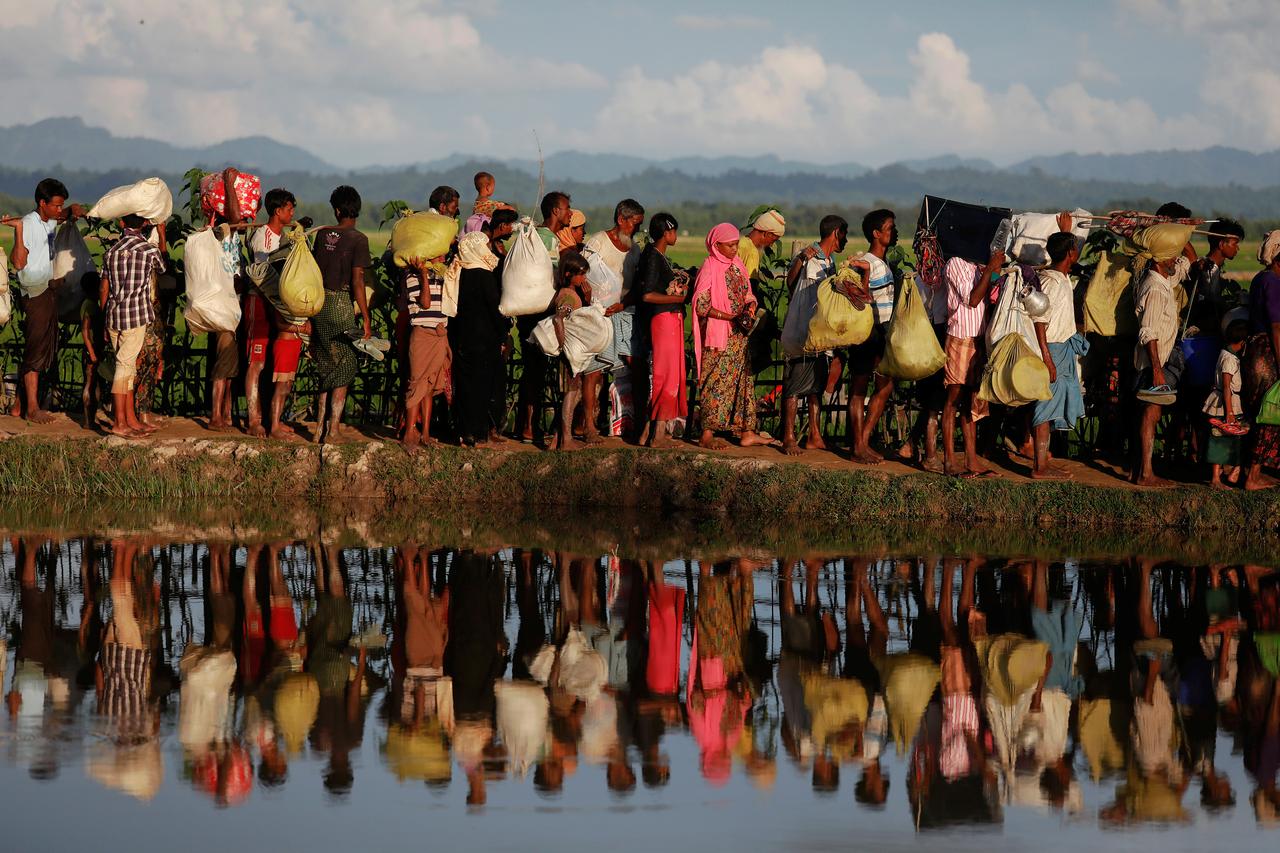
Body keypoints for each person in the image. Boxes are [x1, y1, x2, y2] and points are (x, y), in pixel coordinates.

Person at [11, 178, 86, 423]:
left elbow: (62, 216)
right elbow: (19, 263)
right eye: (54, 205)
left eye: (60, 205)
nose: (57, 209)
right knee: (35, 352)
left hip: (48, 291)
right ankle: (32, 409)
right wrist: (19, 231)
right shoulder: (29, 224)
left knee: (42, 348)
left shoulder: (49, 222)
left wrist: (70, 211)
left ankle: (18, 406)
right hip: (35, 293)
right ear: (42, 203)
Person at [692, 223, 769, 449]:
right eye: (730, 245)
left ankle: (746, 431)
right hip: (720, 335)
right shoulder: (709, 267)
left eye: (736, 244)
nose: (735, 249)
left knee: (742, 382)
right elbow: (701, 305)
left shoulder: (737, 266)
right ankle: (706, 433)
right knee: (714, 382)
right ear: (716, 245)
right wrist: (730, 316)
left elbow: (746, 292)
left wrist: (750, 306)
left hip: (738, 336)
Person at [778, 215, 847, 456]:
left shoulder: (829, 260)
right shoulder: (810, 257)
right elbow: (791, 282)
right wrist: (800, 258)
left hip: (819, 334)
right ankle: (788, 437)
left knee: (815, 386)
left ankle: (814, 435)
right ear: (836, 233)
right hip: (802, 332)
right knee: (794, 386)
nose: (845, 240)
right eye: (844, 235)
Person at [310, 185, 372, 443]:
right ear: (356, 209)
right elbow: (358, 281)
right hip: (340, 305)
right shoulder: (359, 239)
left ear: (336, 210)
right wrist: (366, 317)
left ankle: (318, 430)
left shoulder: (322, 235)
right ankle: (334, 430)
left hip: (319, 304)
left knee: (326, 365)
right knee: (345, 365)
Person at [583, 199, 646, 441]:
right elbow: (585, 277)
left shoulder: (635, 250)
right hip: (601, 314)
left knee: (635, 365)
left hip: (625, 312)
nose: (636, 230)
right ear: (621, 220)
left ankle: (637, 425)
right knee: (593, 371)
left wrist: (624, 303)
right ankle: (589, 425)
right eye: (634, 224)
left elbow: (637, 285)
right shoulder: (598, 242)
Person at [100, 215, 166, 438]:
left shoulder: (111, 252)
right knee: (124, 366)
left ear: (121, 223)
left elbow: (104, 288)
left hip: (114, 315)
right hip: (136, 316)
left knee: (128, 367)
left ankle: (130, 419)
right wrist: (162, 234)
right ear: (145, 224)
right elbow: (163, 268)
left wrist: (104, 318)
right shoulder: (149, 250)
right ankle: (120, 422)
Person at [1030, 230, 1088, 479]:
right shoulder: (1051, 282)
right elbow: (1040, 321)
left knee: (1053, 407)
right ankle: (1039, 466)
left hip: (1061, 349)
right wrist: (1047, 358)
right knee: (1045, 407)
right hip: (1052, 349)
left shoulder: (1062, 277)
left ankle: (1044, 461)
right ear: (1071, 254)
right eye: (1075, 248)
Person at [515, 191, 571, 445]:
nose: (570, 213)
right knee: (535, 371)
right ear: (556, 211)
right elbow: (548, 275)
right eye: (567, 208)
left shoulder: (536, 234)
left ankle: (526, 425)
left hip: (530, 311)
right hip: (539, 312)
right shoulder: (546, 238)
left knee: (533, 370)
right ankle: (529, 427)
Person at [942, 249, 1003, 477]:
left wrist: (994, 270)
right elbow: (973, 299)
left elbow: (992, 294)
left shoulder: (978, 264)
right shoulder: (955, 262)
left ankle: (971, 459)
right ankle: (949, 461)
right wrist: (990, 268)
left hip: (978, 338)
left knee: (972, 401)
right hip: (960, 336)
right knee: (953, 399)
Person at [847, 210, 900, 464]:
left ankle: (863, 441)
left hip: (881, 331)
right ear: (876, 234)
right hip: (867, 332)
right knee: (859, 388)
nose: (894, 232)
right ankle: (859, 445)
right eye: (889, 228)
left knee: (884, 386)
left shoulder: (881, 262)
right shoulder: (865, 261)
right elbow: (859, 297)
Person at [451, 228, 512, 447]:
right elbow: (495, 309)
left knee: (465, 385)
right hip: (485, 339)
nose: (488, 249)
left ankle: (465, 432)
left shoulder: (459, 271)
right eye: (485, 245)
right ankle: (479, 434)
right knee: (483, 386)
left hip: (462, 337)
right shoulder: (484, 275)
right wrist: (504, 333)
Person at [244, 188, 296, 437]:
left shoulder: (284, 237)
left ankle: (270, 418)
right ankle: (254, 420)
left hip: (277, 304)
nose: (292, 213)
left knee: (273, 361)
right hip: (260, 302)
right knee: (257, 361)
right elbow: (264, 275)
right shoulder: (263, 237)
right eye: (289, 208)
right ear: (278, 211)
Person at [1132, 252, 1184, 486]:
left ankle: (1141, 470)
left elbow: (1186, 264)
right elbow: (1148, 332)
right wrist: (1156, 370)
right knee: (1151, 413)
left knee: (1151, 413)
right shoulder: (1154, 288)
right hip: (1154, 364)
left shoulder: (1163, 281)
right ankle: (1145, 473)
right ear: (1157, 260)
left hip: (1158, 362)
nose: (1175, 260)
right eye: (1171, 256)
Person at [638, 213, 687, 448]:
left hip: (667, 318)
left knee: (667, 374)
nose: (675, 235)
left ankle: (649, 432)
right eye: (674, 231)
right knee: (666, 376)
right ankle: (657, 436)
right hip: (664, 319)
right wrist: (676, 298)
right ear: (667, 233)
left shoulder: (655, 255)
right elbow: (647, 294)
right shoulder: (654, 257)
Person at [1241, 232, 1280, 490]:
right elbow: (1277, 326)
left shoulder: (1260, 279)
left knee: (1257, 412)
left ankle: (1247, 471)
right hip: (1267, 352)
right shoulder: (1274, 282)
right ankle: (1253, 476)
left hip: (1254, 350)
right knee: (1271, 412)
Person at [401, 255, 451, 450]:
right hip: (422, 336)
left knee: (429, 386)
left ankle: (426, 433)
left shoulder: (441, 275)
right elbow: (426, 303)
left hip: (439, 335)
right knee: (416, 384)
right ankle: (409, 432)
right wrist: (422, 274)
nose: (442, 257)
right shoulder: (411, 277)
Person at [552, 251, 593, 451]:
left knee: (571, 392)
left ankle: (557, 438)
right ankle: (567, 439)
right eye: (581, 274)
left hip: (569, 354)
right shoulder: (568, 296)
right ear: (569, 274)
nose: (584, 278)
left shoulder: (568, 293)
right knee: (571, 393)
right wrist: (564, 345)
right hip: (569, 355)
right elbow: (559, 318)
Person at [1204, 319, 1249, 488]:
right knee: (1220, 438)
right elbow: (1226, 385)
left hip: (1227, 401)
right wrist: (1229, 412)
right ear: (1242, 342)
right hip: (1225, 403)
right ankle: (1215, 478)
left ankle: (1229, 471)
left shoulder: (1225, 354)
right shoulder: (1229, 359)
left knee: (1230, 437)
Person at [738, 208, 786, 283]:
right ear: (766, 234)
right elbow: (751, 283)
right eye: (773, 240)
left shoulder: (740, 242)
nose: (771, 245)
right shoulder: (752, 252)